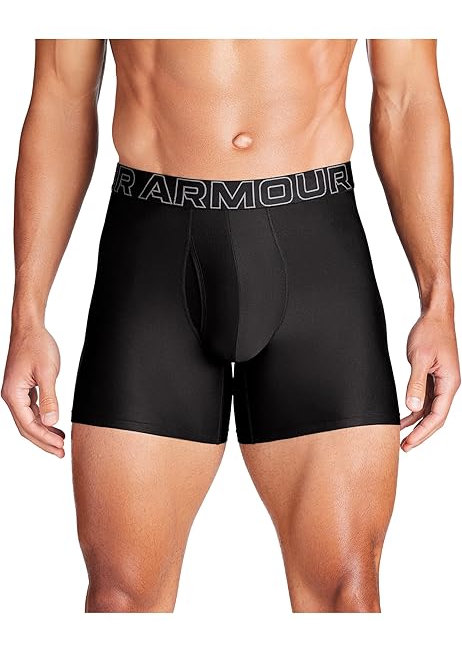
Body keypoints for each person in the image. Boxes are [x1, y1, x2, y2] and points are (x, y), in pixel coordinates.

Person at [2, 39, 459, 613]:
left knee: (346, 592)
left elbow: (407, 95)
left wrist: (438, 301)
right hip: (152, 258)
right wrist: (27, 313)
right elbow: (61, 97)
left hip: (316, 255)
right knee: (120, 597)